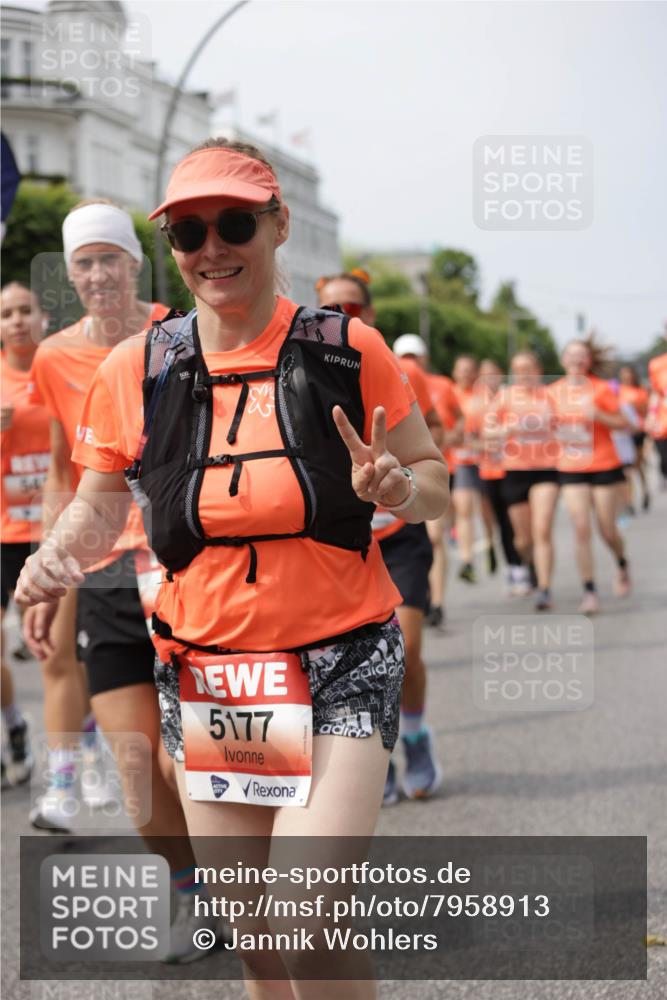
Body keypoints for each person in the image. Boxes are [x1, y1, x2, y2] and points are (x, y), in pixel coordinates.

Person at [16, 138, 449, 997]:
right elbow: (102, 501)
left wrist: (399, 486)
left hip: (340, 662)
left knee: (310, 911)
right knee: (256, 934)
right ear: (171, 248)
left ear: (277, 225)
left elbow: (430, 478)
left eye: (233, 223)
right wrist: (52, 561)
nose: (211, 248)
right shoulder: (135, 366)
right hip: (212, 672)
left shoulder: (347, 346)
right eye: (187, 233)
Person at [23, 200, 208, 963]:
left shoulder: (185, 332)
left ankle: (251, 886)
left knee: (184, 758)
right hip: (104, 572)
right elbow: (69, 471)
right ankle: (193, 897)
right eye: (83, 263)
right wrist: (49, 570)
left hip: (188, 565)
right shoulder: (54, 356)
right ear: (70, 275)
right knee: (136, 771)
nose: (98, 274)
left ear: (137, 262)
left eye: (111, 258)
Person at [314, 288, 444, 807]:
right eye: (327, 306)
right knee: (353, 667)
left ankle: (413, 735)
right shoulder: (303, 369)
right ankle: (377, 754)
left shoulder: (389, 367)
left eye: (348, 307)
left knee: (407, 653)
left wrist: (403, 481)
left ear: (368, 313)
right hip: (343, 547)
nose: (337, 315)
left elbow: (432, 449)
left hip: (400, 536)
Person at [0, 282, 50, 786]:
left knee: (55, 648)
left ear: (42, 318)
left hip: (56, 528)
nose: (15, 320)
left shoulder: (59, 370)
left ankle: (78, 742)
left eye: (24, 311)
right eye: (6, 313)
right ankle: (14, 725)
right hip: (4, 530)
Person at [551, 338, 631, 614]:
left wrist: (598, 415)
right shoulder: (553, 392)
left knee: (607, 529)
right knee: (581, 528)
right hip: (571, 467)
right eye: (571, 355)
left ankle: (621, 563)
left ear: (589, 361)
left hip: (604, 464)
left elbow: (624, 423)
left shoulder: (601, 389)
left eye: (581, 355)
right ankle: (589, 590)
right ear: (563, 360)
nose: (576, 360)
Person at [484, 351, 560, 610]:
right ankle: (531, 566)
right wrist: (509, 429)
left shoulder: (551, 396)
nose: (523, 374)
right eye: (518, 369)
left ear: (537, 369)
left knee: (542, 530)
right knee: (523, 540)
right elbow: (488, 430)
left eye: (528, 368)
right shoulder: (505, 397)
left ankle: (545, 589)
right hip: (515, 471)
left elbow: (569, 426)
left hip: (546, 470)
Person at [472, 358, 526, 597]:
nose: (490, 378)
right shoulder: (476, 404)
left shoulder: (513, 398)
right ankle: (513, 569)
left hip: (514, 469)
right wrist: (487, 442)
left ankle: (524, 566)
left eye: (494, 373)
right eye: (485, 374)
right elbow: (471, 437)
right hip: (488, 469)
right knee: (500, 523)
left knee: (517, 524)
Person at [450, 355, 487, 582]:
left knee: (486, 512)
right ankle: (467, 560)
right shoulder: (449, 393)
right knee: (463, 510)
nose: (465, 374)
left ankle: (491, 543)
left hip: (482, 460)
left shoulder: (483, 397)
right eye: (461, 370)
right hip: (457, 460)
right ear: (454, 372)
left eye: (469, 370)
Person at [617, 364, 650, 513]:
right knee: (628, 468)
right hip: (625, 433)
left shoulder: (640, 391)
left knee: (638, 465)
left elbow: (645, 411)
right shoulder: (619, 391)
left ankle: (645, 490)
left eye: (628, 373)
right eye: (623, 374)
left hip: (638, 431)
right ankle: (630, 501)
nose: (626, 377)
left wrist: (634, 407)